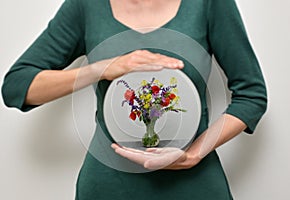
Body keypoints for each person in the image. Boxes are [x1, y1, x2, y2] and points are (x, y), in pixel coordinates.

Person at [1, 0, 267, 199]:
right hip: (108, 185)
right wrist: (101, 68)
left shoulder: (209, 4)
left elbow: (251, 94)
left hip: (194, 184)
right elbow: (17, 86)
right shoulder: (85, 6)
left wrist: (193, 154)